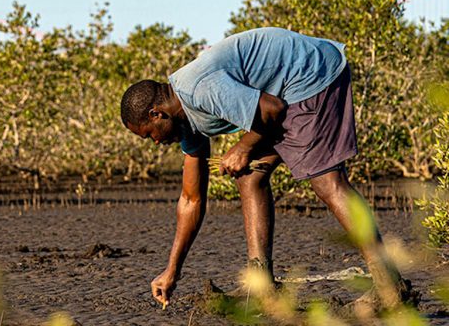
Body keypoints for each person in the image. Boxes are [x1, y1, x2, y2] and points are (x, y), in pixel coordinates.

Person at [119, 27, 411, 309]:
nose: (156, 143)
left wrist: (243, 147)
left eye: (149, 135)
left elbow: (272, 110)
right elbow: (191, 199)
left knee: (327, 182)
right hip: (285, 93)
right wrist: (171, 271)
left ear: (156, 114)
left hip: (311, 76)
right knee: (250, 177)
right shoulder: (184, 121)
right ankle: (261, 286)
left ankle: (389, 284)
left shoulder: (200, 89)